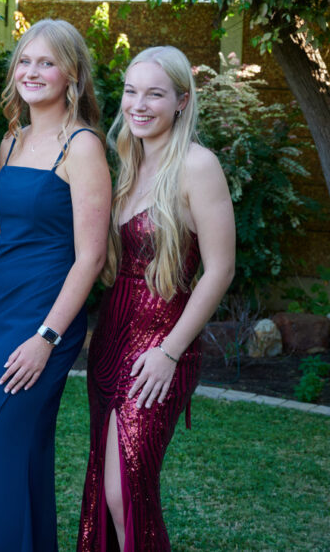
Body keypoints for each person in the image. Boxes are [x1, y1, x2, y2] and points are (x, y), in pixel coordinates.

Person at [0, 18, 111, 551]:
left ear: (72, 74)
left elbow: (91, 258)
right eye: (25, 61)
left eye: (47, 62)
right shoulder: (11, 141)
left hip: (45, 321)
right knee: (13, 462)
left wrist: (46, 338)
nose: (32, 71)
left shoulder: (83, 147)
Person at [78, 46, 235, 551]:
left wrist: (169, 352)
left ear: (182, 101)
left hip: (161, 349)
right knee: (106, 488)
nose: (139, 105)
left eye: (155, 94)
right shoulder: (128, 161)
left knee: (127, 491)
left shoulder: (198, 165)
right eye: (131, 92)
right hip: (110, 343)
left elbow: (220, 270)